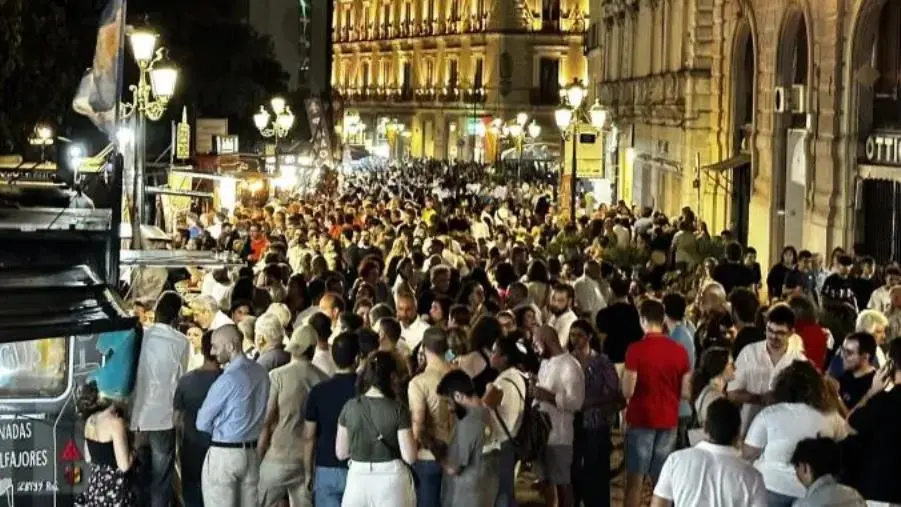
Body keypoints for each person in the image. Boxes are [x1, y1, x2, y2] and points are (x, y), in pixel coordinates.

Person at [742, 361, 848, 506]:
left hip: (771, 486)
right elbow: (847, 437)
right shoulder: (830, 416)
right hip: (812, 492)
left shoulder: (770, 414)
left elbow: (748, 454)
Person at [621, 299, 691, 507]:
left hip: (641, 419)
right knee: (662, 482)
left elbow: (628, 390)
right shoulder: (680, 351)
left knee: (635, 480)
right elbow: (686, 392)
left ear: (642, 320)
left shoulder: (635, 350)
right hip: (668, 419)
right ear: (662, 321)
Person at [196, 324, 271, 506]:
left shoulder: (227, 380)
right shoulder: (261, 373)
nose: (212, 352)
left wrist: (219, 424)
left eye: (215, 346)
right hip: (251, 454)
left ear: (230, 346)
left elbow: (201, 423)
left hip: (224, 454)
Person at [258, 318, 327, 507]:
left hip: (278, 456)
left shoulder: (277, 376)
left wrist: (259, 455)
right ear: (312, 349)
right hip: (307, 460)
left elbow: (267, 421)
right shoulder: (322, 379)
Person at [130, 291, 189, 507]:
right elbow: (182, 382)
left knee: (137, 474)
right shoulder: (182, 342)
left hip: (138, 417)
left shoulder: (141, 336)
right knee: (161, 479)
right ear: (177, 317)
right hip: (164, 419)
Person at [336, 351, 417, 507]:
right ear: (392, 377)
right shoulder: (398, 409)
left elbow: (341, 453)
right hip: (392, 480)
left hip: (357, 480)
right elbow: (410, 456)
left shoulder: (350, 407)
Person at [651, 398, 767, 507]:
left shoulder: (676, 460)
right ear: (738, 434)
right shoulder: (753, 477)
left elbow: (658, 504)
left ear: (705, 428)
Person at [728, 304, 806, 434]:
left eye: (780, 333)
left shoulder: (799, 361)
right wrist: (759, 399)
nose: (773, 337)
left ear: (792, 332)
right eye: (770, 330)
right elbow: (732, 393)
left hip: (783, 433)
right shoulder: (749, 353)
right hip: (749, 429)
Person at [568, 319, 622, 507]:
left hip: (595, 421)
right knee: (574, 468)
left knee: (596, 468)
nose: (575, 339)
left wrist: (591, 403)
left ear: (589, 336)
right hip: (572, 421)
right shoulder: (568, 361)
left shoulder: (601, 362)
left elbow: (614, 392)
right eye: (572, 335)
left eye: (579, 335)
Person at [303, 332, 360, 507]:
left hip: (325, 466)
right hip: (358, 468)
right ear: (357, 358)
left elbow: (309, 437)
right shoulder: (365, 391)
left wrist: (308, 472)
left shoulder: (318, 391)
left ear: (333, 358)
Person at [531, 325, 585, 507]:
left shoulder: (570, 365)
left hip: (559, 437)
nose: (533, 346)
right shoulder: (545, 363)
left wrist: (547, 396)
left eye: (536, 342)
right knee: (546, 484)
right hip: (541, 435)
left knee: (563, 485)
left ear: (547, 341)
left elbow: (576, 402)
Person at [844, 340, 901, 504]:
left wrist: (871, 392)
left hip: (879, 489)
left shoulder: (882, 401)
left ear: (890, 364)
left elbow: (848, 426)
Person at [437, 369, 500, 507]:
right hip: (487, 493)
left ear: (458, 396)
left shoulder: (469, 423)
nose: (449, 408)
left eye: (448, 402)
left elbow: (453, 468)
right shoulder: (488, 412)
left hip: (466, 497)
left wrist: (435, 449)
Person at [407, 326, 455, 507]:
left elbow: (417, 425)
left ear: (424, 348)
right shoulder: (459, 376)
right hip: (456, 452)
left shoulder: (419, 383)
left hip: (428, 456)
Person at [174, 331, 221, 507]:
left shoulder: (186, 381)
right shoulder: (228, 379)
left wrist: (179, 445)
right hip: (220, 449)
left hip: (191, 447)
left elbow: (177, 418)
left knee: (192, 492)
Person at [76, 381, 136, 506]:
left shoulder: (89, 422)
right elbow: (124, 465)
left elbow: (88, 458)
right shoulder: (115, 423)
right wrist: (135, 451)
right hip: (114, 488)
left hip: (95, 487)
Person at [486, 335, 528, 507]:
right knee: (507, 492)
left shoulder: (501, 383)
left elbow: (482, 410)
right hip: (513, 438)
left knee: (501, 494)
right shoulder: (518, 375)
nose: (491, 355)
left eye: (495, 352)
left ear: (505, 358)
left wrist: (488, 390)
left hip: (501, 443)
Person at [790, 437, 866, 507]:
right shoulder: (855, 496)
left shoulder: (803, 505)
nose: (796, 472)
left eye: (797, 466)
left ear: (806, 468)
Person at [834, 332, 878, 412]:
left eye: (849, 353)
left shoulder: (874, 385)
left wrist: (835, 395)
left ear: (865, 357)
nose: (842, 356)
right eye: (843, 350)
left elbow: (854, 420)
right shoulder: (846, 374)